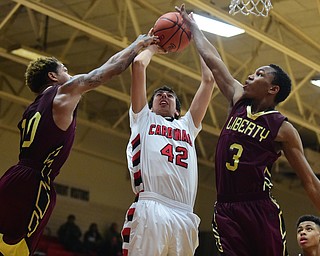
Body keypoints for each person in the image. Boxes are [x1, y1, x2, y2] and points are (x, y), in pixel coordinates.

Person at [176, 3, 320, 256]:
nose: (250, 76)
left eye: (259, 74)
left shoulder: (283, 128)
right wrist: (194, 27)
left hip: (259, 208)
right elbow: (213, 60)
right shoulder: (237, 99)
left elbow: (310, 182)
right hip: (226, 207)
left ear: (273, 89)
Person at [0, 33, 158, 256]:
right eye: (64, 70)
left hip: (12, 177)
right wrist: (139, 44)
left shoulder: (32, 108)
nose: (70, 74)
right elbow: (107, 70)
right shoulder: (62, 93)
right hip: (33, 185)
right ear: (53, 76)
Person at [121, 33, 215, 256]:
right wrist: (154, 47)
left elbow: (209, 80)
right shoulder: (143, 118)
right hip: (152, 206)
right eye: (159, 95)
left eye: (169, 96)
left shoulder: (188, 126)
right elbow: (138, 65)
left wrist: (196, 35)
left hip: (185, 214)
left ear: (177, 109)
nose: (164, 96)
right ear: (150, 106)